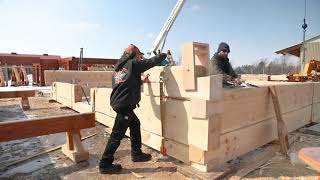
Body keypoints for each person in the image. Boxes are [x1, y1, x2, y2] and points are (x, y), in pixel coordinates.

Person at [99, 44, 167, 174]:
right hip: (124, 105)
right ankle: (105, 164)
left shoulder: (120, 67)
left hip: (121, 103)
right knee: (116, 135)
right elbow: (150, 62)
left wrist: (141, 81)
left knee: (135, 124)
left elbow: (126, 83)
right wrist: (163, 54)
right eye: (138, 55)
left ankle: (136, 154)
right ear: (133, 54)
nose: (139, 57)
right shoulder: (133, 63)